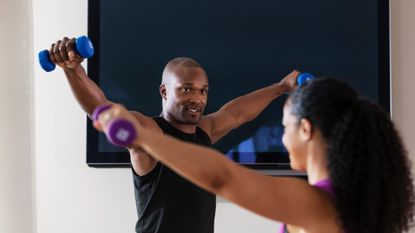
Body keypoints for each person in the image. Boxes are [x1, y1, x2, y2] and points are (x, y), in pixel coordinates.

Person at [94, 77, 415, 233]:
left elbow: (222, 176)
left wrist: (142, 136)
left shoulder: (317, 202)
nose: (283, 137)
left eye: (285, 126)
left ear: (305, 130)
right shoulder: (349, 200)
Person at [47, 36, 300, 233]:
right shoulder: (150, 132)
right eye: (187, 89)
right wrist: (74, 71)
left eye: (203, 91)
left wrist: (281, 88)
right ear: (164, 91)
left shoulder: (203, 131)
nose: (197, 99)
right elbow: (101, 109)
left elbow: (237, 114)